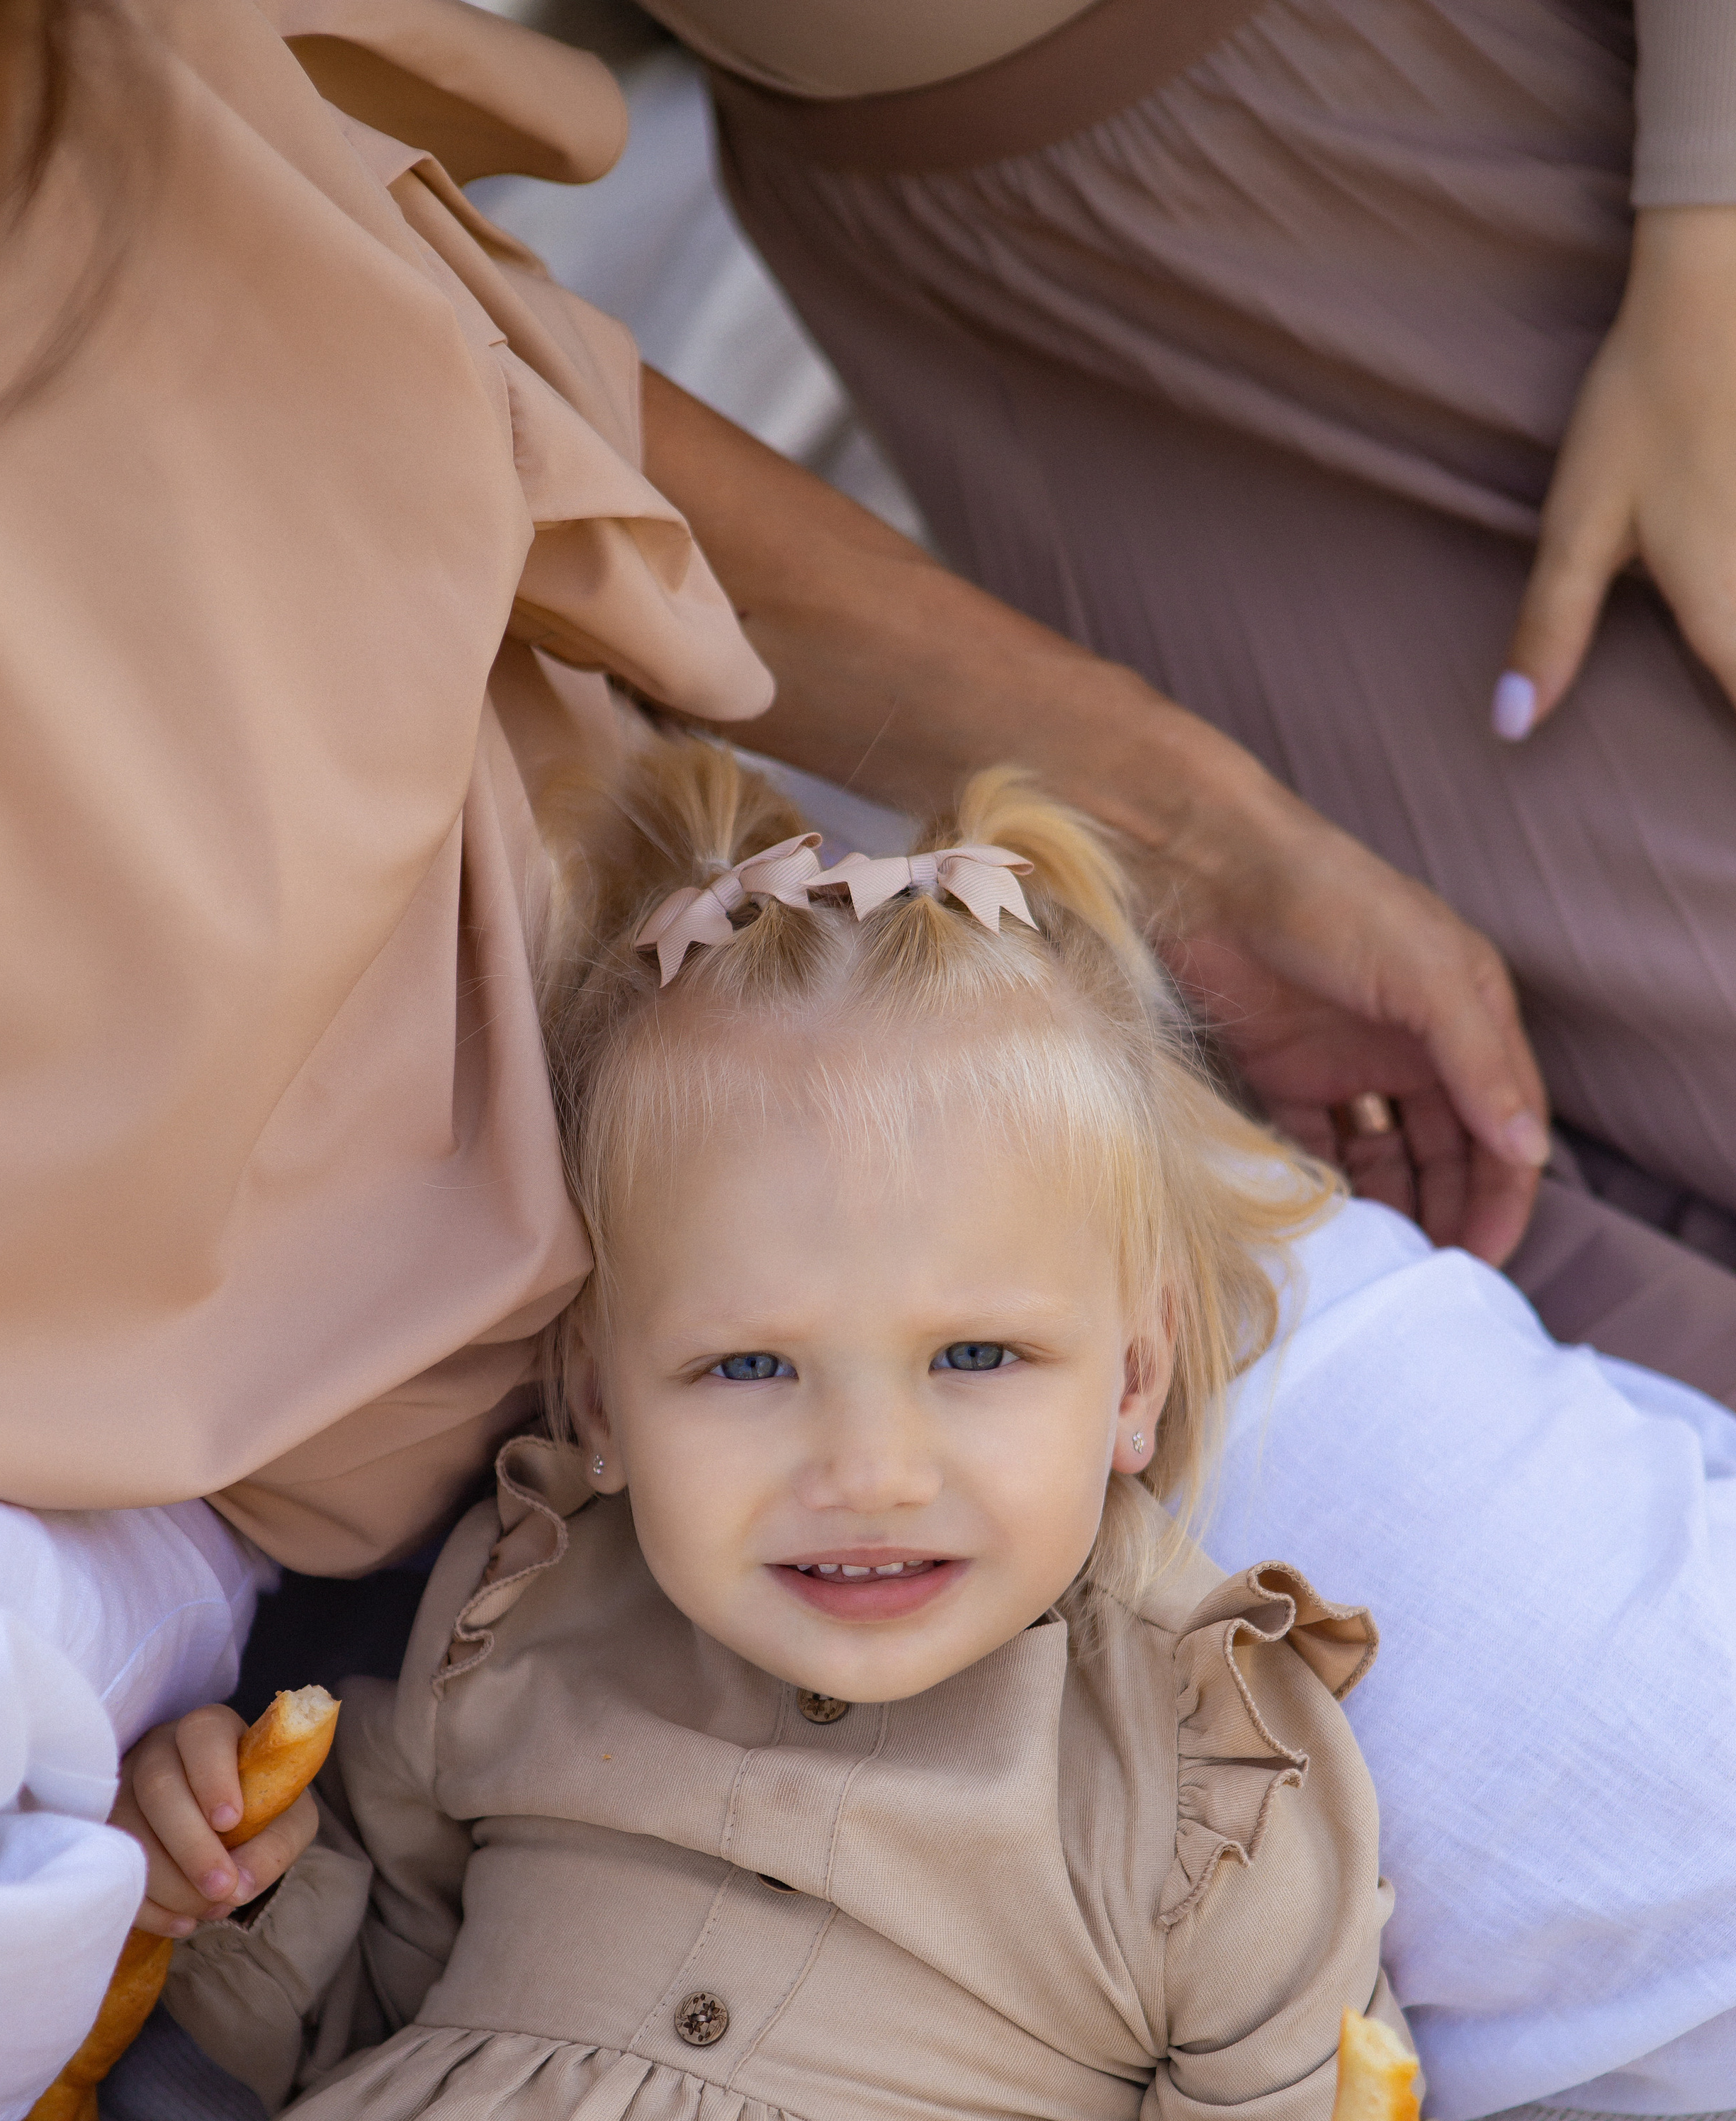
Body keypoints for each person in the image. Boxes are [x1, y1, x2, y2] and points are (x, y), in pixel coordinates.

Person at [0, 748, 1566, 2121]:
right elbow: (378, 2022)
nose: (867, 1468)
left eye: (977, 1358)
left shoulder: (1199, 1766)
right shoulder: (527, 1623)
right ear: (603, 1403)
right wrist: (231, 1873)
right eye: (747, 1368)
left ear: (1128, 1380)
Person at [640, 0, 1736, 1284]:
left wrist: (1710, 233)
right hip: (1060, 332)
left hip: (1543, 131)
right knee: (1500, 1123)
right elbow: (427, 357)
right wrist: (1180, 824)